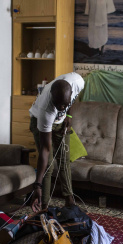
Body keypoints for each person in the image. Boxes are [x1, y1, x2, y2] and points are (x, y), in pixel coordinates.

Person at [28, 72, 85, 212]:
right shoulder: (45, 111)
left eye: (64, 105)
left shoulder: (78, 82)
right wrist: (37, 185)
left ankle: (69, 200)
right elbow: (45, 150)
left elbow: (73, 99)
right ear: (52, 97)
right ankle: (44, 205)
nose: (61, 108)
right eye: (58, 104)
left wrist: (69, 115)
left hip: (60, 123)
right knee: (49, 164)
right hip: (39, 122)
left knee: (64, 160)